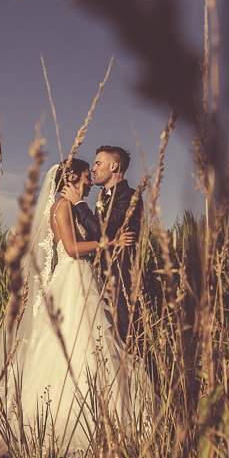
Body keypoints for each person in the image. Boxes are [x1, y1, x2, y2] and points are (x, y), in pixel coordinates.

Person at [0, 158, 144, 458]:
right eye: (86, 176)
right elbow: (71, 249)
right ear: (73, 178)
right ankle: (67, 413)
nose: (90, 181)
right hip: (72, 280)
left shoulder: (70, 205)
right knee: (75, 344)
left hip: (81, 278)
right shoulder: (62, 207)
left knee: (88, 344)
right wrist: (110, 242)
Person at [66, 145, 142, 343]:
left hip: (121, 279)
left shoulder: (129, 196)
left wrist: (78, 203)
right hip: (102, 279)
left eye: (98, 163)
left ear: (114, 166)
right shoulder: (105, 198)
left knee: (127, 338)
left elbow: (101, 231)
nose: (93, 169)